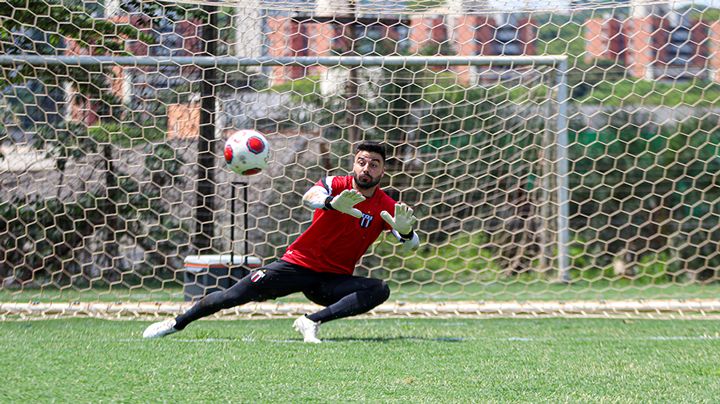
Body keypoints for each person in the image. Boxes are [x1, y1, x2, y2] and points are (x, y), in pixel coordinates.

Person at [143, 141, 419, 343]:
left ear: (383, 170)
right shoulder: (337, 184)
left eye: (374, 164)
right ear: (354, 163)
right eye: (362, 161)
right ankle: (176, 323)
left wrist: (406, 232)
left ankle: (310, 322)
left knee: (379, 289)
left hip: (331, 281)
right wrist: (331, 204)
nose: (366, 168)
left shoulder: (387, 205)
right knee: (232, 296)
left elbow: (410, 243)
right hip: (297, 266)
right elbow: (309, 196)